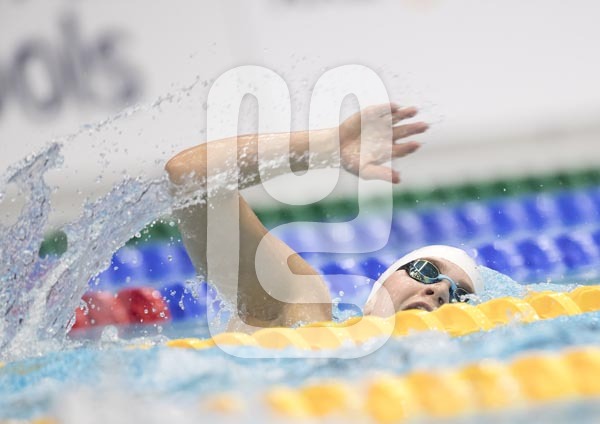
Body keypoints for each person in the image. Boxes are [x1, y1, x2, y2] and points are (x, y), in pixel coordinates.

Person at [165, 103, 484, 331]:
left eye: (460, 297)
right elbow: (192, 176)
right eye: (425, 270)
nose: (440, 291)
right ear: (378, 289)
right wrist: (326, 147)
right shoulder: (304, 312)